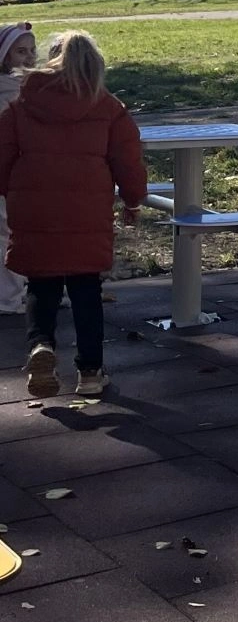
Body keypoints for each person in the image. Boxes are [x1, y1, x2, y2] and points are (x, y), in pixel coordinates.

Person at [0, 31, 147, 399]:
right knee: (86, 289)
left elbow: (2, 157)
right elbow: (128, 162)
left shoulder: (21, 105)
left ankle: (41, 345)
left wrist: (13, 194)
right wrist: (133, 201)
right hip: (87, 211)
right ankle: (91, 372)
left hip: (35, 209)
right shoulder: (109, 108)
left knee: (41, 284)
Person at [0, 22, 37, 315]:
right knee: (7, 233)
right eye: (20, 51)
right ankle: (8, 299)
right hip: (8, 173)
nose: (29, 57)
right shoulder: (8, 92)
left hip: (23, 173)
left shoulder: (26, 88)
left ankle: (18, 291)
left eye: (32, 50)